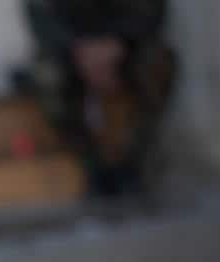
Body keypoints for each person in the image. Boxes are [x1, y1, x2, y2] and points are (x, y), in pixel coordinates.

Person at [20, 0, 177, 196]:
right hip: (72, 49)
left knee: (157, 62)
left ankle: (134, 163)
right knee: (46, 74)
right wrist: (80, 47)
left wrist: (117, 41)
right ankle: (92, 166)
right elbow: (38, 14)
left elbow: (154, 11)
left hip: (126, 46)